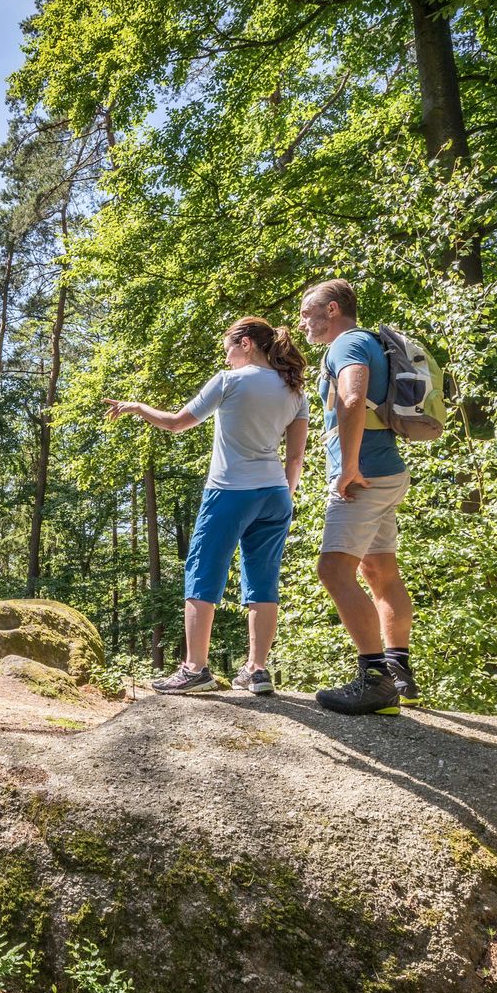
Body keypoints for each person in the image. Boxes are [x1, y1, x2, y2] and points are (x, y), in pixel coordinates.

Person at [104, 316, 309, 695]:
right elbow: (295, 458)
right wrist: (286, 495)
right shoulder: (294, 389)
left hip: (230, 490)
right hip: (276, 494)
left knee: (203, 570)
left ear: (245, 343)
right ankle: (257, 671)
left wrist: (137, 407)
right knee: (263, 579)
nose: (227, 356)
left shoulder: (229, 381)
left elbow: (177, 423)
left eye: (229, 348)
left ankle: (195, 669)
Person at [295, 278, 417, 715]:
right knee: (379, 570)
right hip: (387, 473)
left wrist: (347, 467)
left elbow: (351, 398)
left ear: (332, 310)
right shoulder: (370, 343)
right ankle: (398, 668)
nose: (303, 321)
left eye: (309, 312)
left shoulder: (346, 344)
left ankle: (376, 682)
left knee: (333, 570)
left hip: (363, 476)